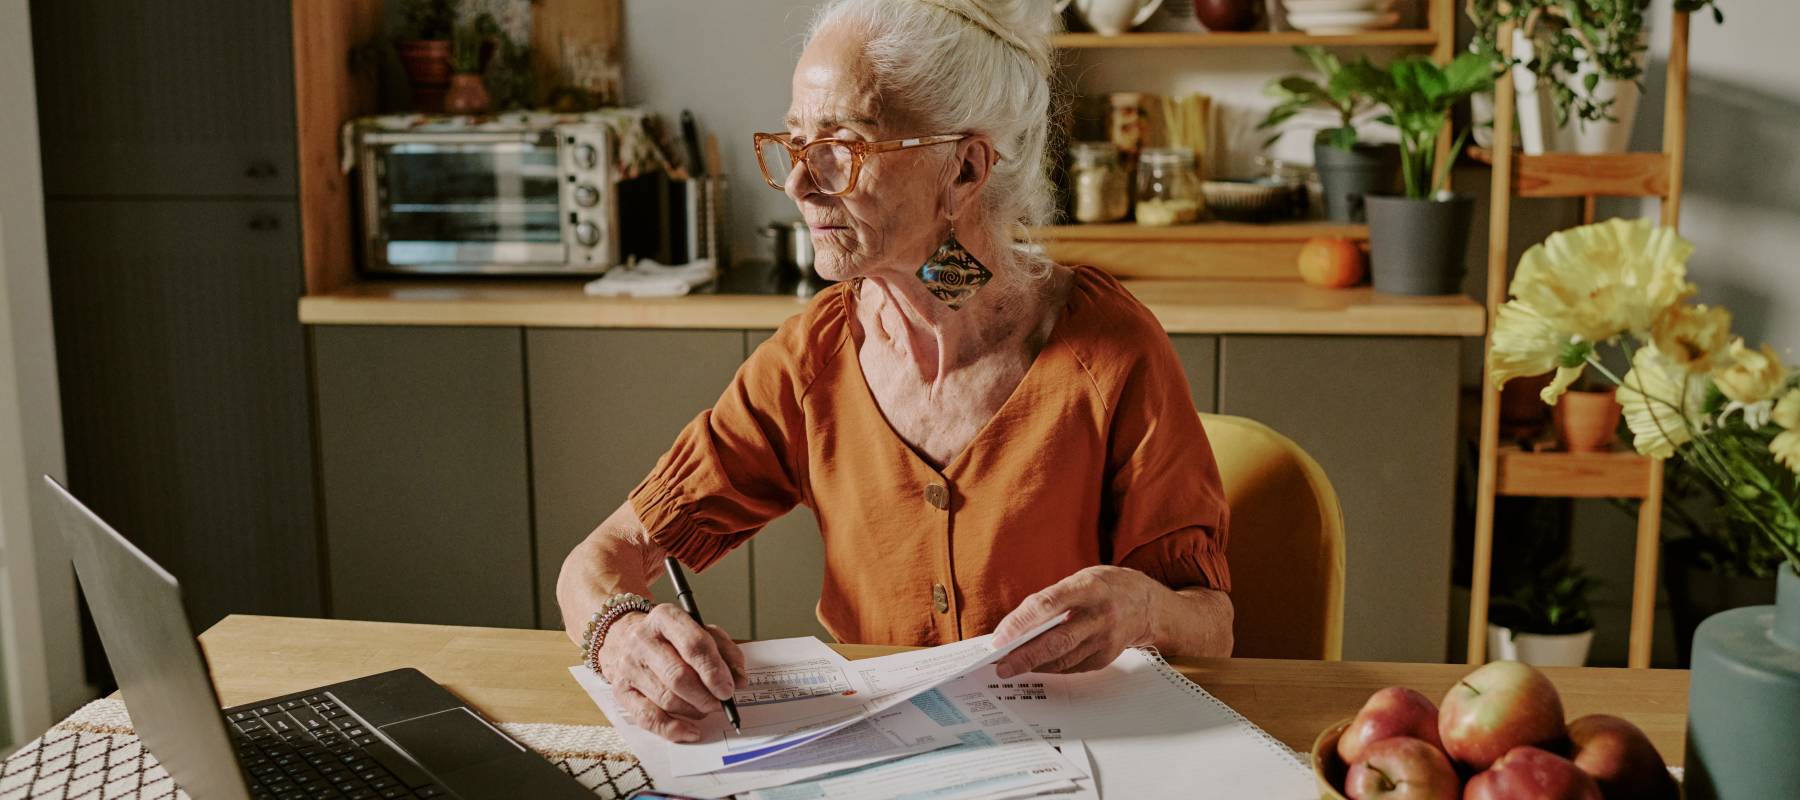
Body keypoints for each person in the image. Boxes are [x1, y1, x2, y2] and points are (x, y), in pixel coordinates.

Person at [557, 0, 1232, 743]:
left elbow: (1211, 624)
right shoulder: (811, 363)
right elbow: (599, 559)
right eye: (795, 142)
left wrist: (1144, 608)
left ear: (966, 167)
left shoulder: (1108, 354)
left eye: (841, 147)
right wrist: (623, 633)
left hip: (1082, 754)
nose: (799, 183)